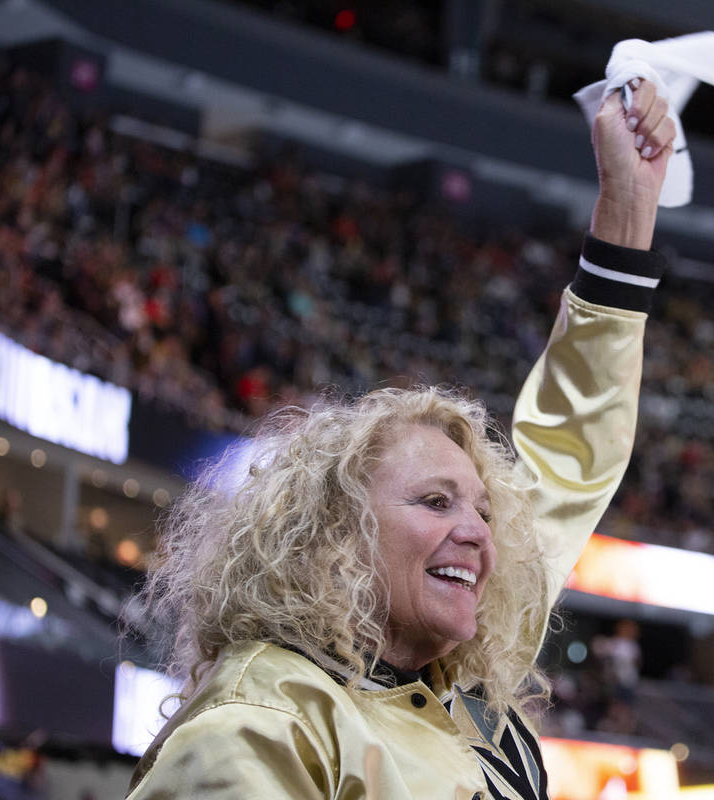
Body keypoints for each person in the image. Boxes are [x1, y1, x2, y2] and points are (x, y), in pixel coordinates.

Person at [125, 79, 677, 800]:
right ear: (333, 538)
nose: (478, 533)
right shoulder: (264, 718)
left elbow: (568, 460)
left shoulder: (459, 687)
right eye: (436, 501)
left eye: (481, 509)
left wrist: (628, 212)